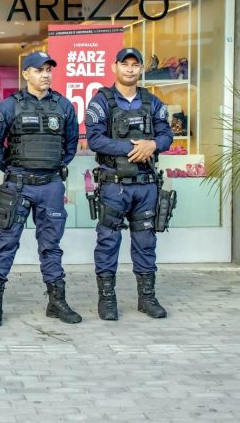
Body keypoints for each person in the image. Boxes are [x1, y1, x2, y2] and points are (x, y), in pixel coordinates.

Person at [0, 51, 81, 326]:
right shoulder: (8, 107)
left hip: (50, 185)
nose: (46, 74)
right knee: (6, 244)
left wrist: (55, 165)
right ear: (26, 74)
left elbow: (71, 143)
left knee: (51, 246)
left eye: (49, 69)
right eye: (39, 70)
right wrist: (13, 169)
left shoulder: (63, 106)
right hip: (18, 186)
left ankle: (57, 302)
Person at [85, 47, 173, 321]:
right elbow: (95, 139)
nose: (131, 69)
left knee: (146, 241)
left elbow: (167, 135)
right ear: (115, 67)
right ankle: (107, 299)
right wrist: (133, 147)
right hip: (114, 185)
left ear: (140, 69)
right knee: (108, 241)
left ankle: (147, 298)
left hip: (146, 185)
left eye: (135, 65)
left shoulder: (153, 101)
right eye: (125, 64)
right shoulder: (101, 102)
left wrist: (153, 144)